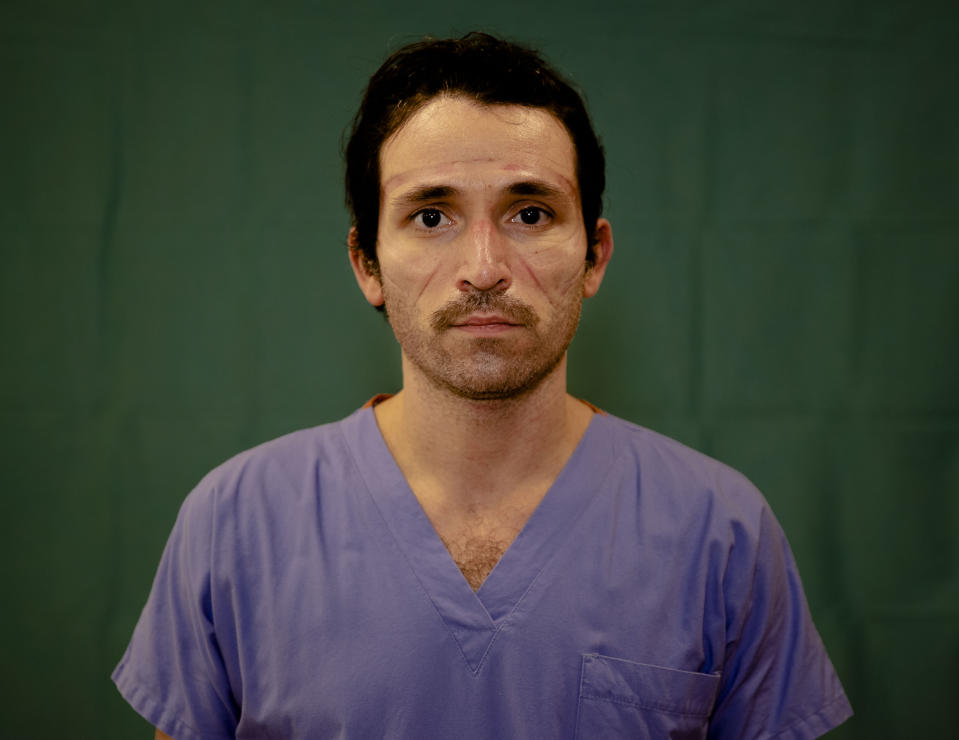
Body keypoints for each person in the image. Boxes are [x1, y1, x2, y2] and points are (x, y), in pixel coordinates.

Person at [113, 32, 853, 739]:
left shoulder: (718, 529)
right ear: (366, 263)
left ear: (593, 255)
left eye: (530, 213)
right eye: (430, 215)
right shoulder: (234, 523)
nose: (483, 266)